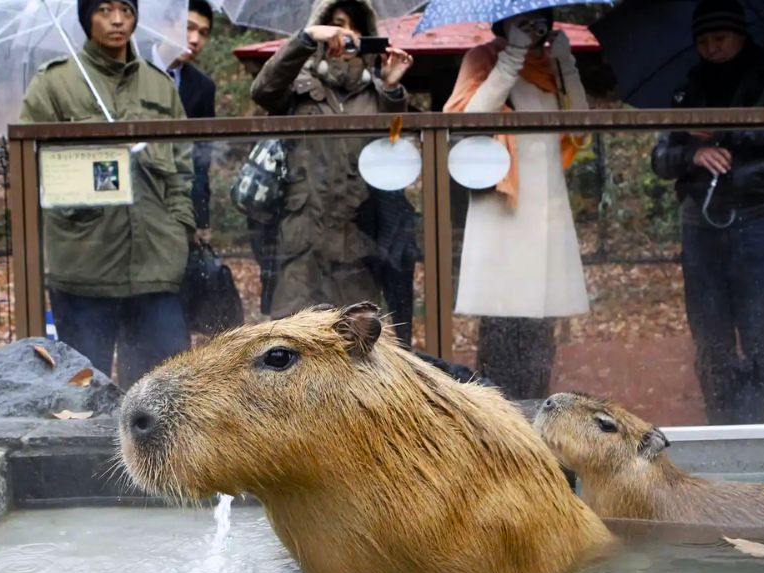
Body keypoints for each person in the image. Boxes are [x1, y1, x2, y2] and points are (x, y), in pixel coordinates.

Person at [20, 0, 195, 389]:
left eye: (126, 10)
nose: (117, 20)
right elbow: (31, 167)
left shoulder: (159, 84)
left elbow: (183, 165)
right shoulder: (54, 84)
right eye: (103, 10)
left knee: (165, 389)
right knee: (83, 390)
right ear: (86, 19)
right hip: (84, 262)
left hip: (156, 262)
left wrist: (180, 226)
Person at [651, 0, 764, 424]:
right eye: (702, 41)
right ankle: (721, 425)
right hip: (700, 221)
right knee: (710, 336)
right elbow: (661, 158)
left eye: (719, 38)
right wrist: (694, 153)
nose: (711, 48)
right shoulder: (687, 90)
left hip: (758, 217)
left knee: (759, 332)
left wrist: (730, 140)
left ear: (740, 35)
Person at [444, 9, 590, 400]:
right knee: (501, 316)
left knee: (541, 319)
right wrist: (511, 57)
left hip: (547, 206)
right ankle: (495, 413)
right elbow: (470, 118)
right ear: (504, 21)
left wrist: (565, 62)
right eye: (521, 20)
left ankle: (538, 405)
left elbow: (580, 125)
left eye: (537, 20)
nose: (532, 27)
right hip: (502, 206)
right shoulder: (483, 58)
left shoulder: (550, 64)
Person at [249, 0, 413, 318]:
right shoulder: (298, 87)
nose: (346, 34)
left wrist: (392, 89)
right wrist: (307, 37)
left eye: (355, 27)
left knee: (357, 349)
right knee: (291, 347)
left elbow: (395, 149)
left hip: (356, 252)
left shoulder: (376, 95)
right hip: (299, 248)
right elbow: (263, 91)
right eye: (338, 23)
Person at [168, 0, 217, 246]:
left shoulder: (203, 87)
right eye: (188, 27)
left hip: (181, 205)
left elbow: (201, 160)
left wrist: (202, 218)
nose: (195, 39)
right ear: (167, 24)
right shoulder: (136, 69)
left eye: (203, 33)